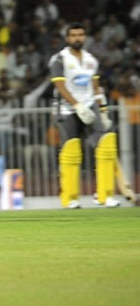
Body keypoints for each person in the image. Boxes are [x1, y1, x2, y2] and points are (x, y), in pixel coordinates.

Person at [50, 23, 122, 209]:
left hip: (90, 107)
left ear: (85, 37)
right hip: (67, 110)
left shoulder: (91, 60)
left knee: (106, 144)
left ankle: (105, 196)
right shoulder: (59, 59)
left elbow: (96, 88)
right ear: (67, 38)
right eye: (73, 35)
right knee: (71, 151)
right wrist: (76, 105)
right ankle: (70, 198)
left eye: (80, 35)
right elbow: (60, 86)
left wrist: (103, 110)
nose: (77, 38)